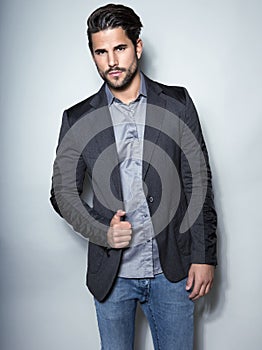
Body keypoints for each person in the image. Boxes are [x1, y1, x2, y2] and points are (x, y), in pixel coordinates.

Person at [50, 3, 217, 349]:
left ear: (137, 46)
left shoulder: (177, 103)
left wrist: (204, 256)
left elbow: (197, 180)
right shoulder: (77, 118)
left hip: (173, 270)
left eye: (120, 48)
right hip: (112, 276)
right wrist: (102, 229)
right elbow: (62, 191)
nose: (111, 61)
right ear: (93, 55)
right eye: (101, 51)